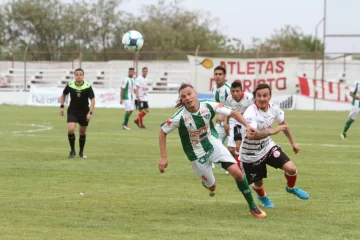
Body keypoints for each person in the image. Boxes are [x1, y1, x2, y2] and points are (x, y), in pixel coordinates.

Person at [158, 83, 267, 218]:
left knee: (237, 173)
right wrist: (163, 157)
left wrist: (247, 125)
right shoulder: (179, 116)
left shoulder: (208, 104)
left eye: (189, 93)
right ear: (182, 99)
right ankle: (207, 183)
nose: (187, 97)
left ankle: (253, 207)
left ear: (195, 93)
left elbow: (232, 112)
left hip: (213, 143)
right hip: (196, 154)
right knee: (212, 187)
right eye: (183, 96)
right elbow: (162, 131)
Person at [240, 83, 309, 209]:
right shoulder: (250, 112)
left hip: (267, 146)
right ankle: (262, 197)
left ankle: (291, 188)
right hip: (250, 154)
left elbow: (283, 124)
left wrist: (293, 142)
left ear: (270, 96)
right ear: (255, 97)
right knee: (258, 183)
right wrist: (272, 131)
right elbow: (250, 135)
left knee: (291, 169)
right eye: (258, 96)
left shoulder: (274, 108)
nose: (262, 99)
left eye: (265, 95)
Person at [60, 68, 95, 158]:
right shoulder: (70, 85)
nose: (79, 76)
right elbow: (63, 94)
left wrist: (90, 113)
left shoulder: (87, 86)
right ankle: (72, 151)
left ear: (83, 76)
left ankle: (81, 153)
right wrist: (62, 106)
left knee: (82, 133)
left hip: (84, 112)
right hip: (72, 111)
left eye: (80, 74)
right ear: (74, 75)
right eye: (77, 74)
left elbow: (93, 100)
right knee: (71, 129)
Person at [224, 81, 254, 167]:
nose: (235, 94)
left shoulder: (249, 98)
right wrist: (225, 123)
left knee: (242, 146)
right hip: (235, 122)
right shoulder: (229, 99)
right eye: (233, 91)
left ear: (242, 91)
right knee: (231, 149)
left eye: (237, 91)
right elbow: (227, 111)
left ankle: (242, 167)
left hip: (248, 122)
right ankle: (236, 166)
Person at [211, 66, 231, 174]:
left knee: (236, 147)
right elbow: (217, 105)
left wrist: (224, 117)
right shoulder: (214, 88)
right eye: (216, 74)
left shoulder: (229, 89)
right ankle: (214, 165)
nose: (218, 76)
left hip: (233, 121)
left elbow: (234, 105)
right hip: (222, 121)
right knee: (213, 141)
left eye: (220, 74)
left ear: (224, 76)